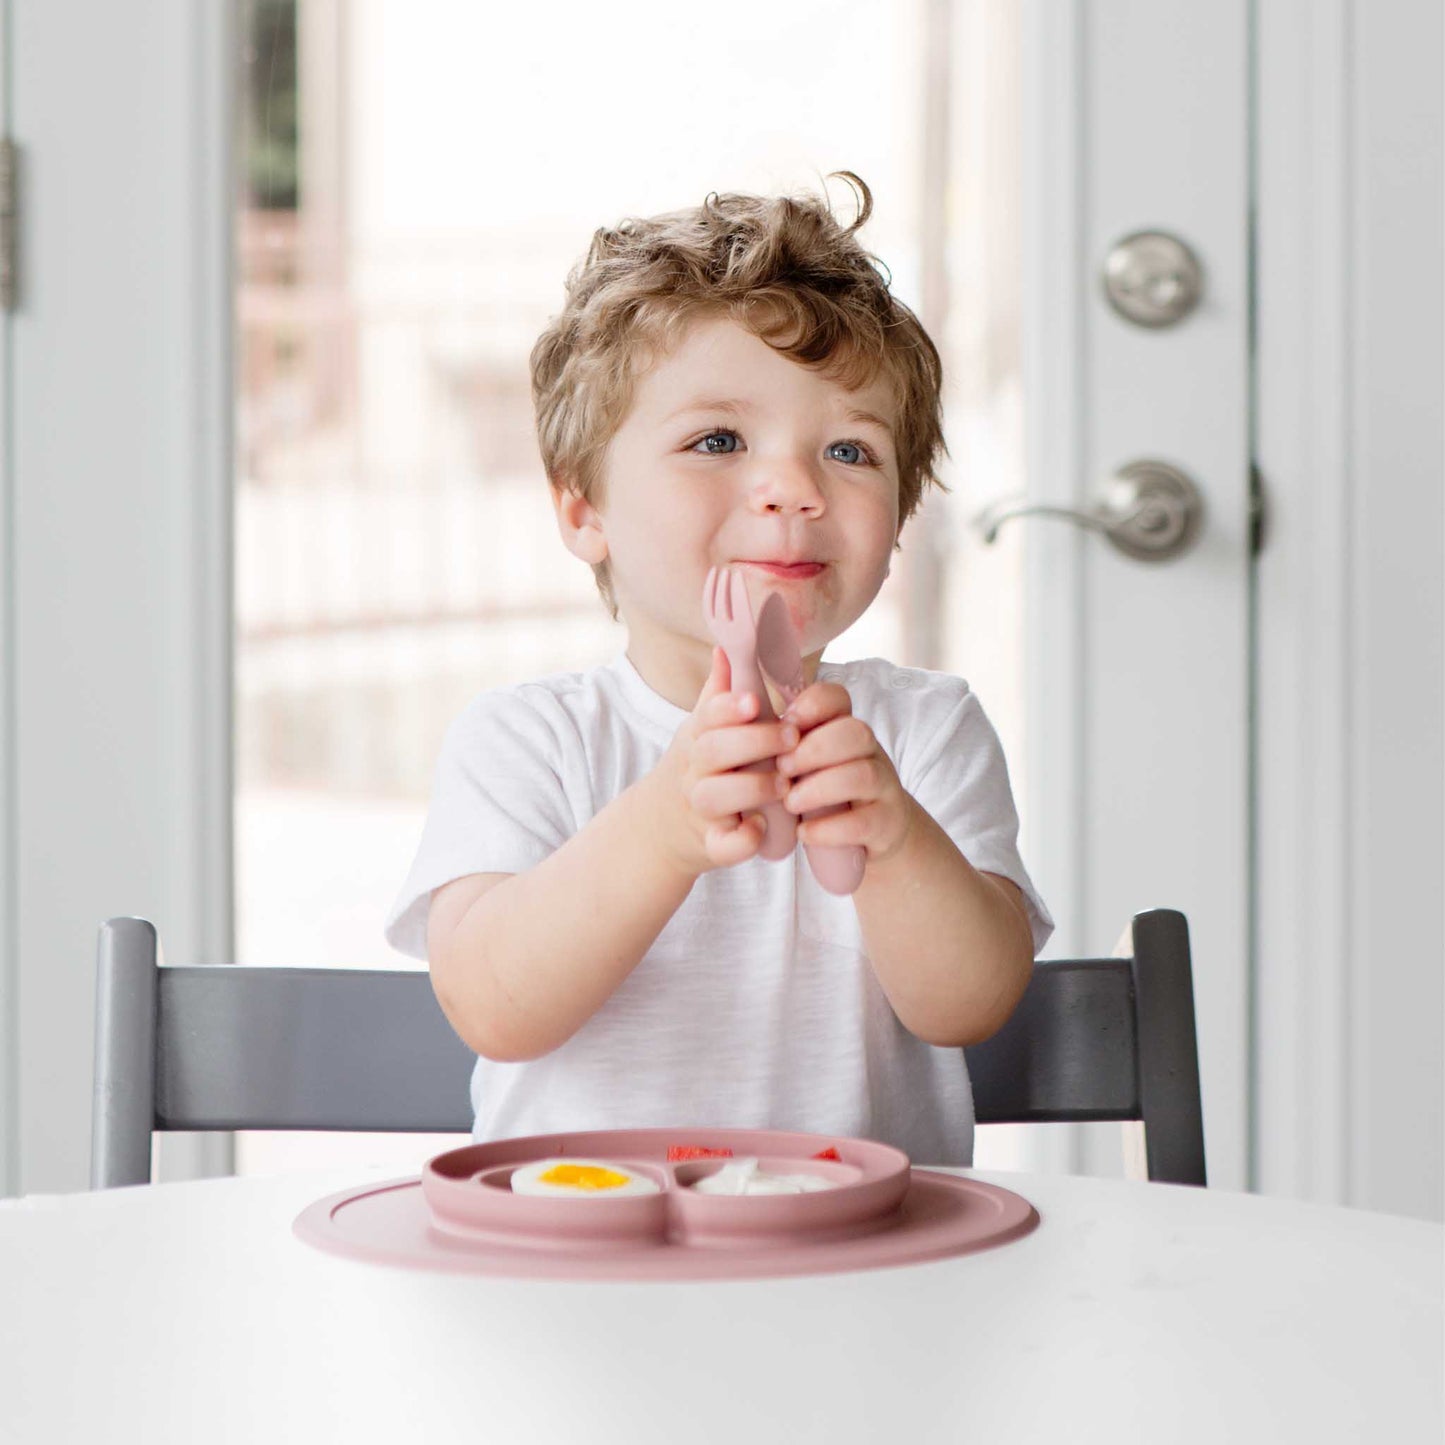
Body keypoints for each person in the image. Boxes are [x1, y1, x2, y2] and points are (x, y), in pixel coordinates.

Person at [384, 173, 1053, 1165]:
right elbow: (493, 1004)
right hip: (581, 1263)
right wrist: (660, 826)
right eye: (717, 439)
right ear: (583, 510)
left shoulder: (922, 731)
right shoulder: (529, 739)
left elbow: (970, 1005)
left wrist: (896, 838)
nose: (791, 487)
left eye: (849, 450)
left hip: (858, 1263)